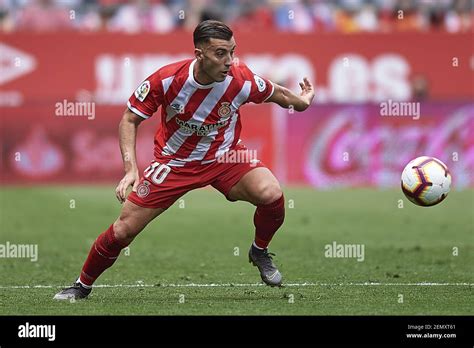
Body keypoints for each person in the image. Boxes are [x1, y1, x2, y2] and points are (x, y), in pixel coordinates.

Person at [54, 20, 315, 300]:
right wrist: (131, 169)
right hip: (174, 163)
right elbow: (130, 118)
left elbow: (279, 94)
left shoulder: (241, 79)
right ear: (199, 54)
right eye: (220, 53)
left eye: (232, 52)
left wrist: (302, 102)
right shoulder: (167, 80)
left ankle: (259, 250)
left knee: (272, 194)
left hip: (225, 157)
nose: (229, 61)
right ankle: (81, 286)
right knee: (123, 230)